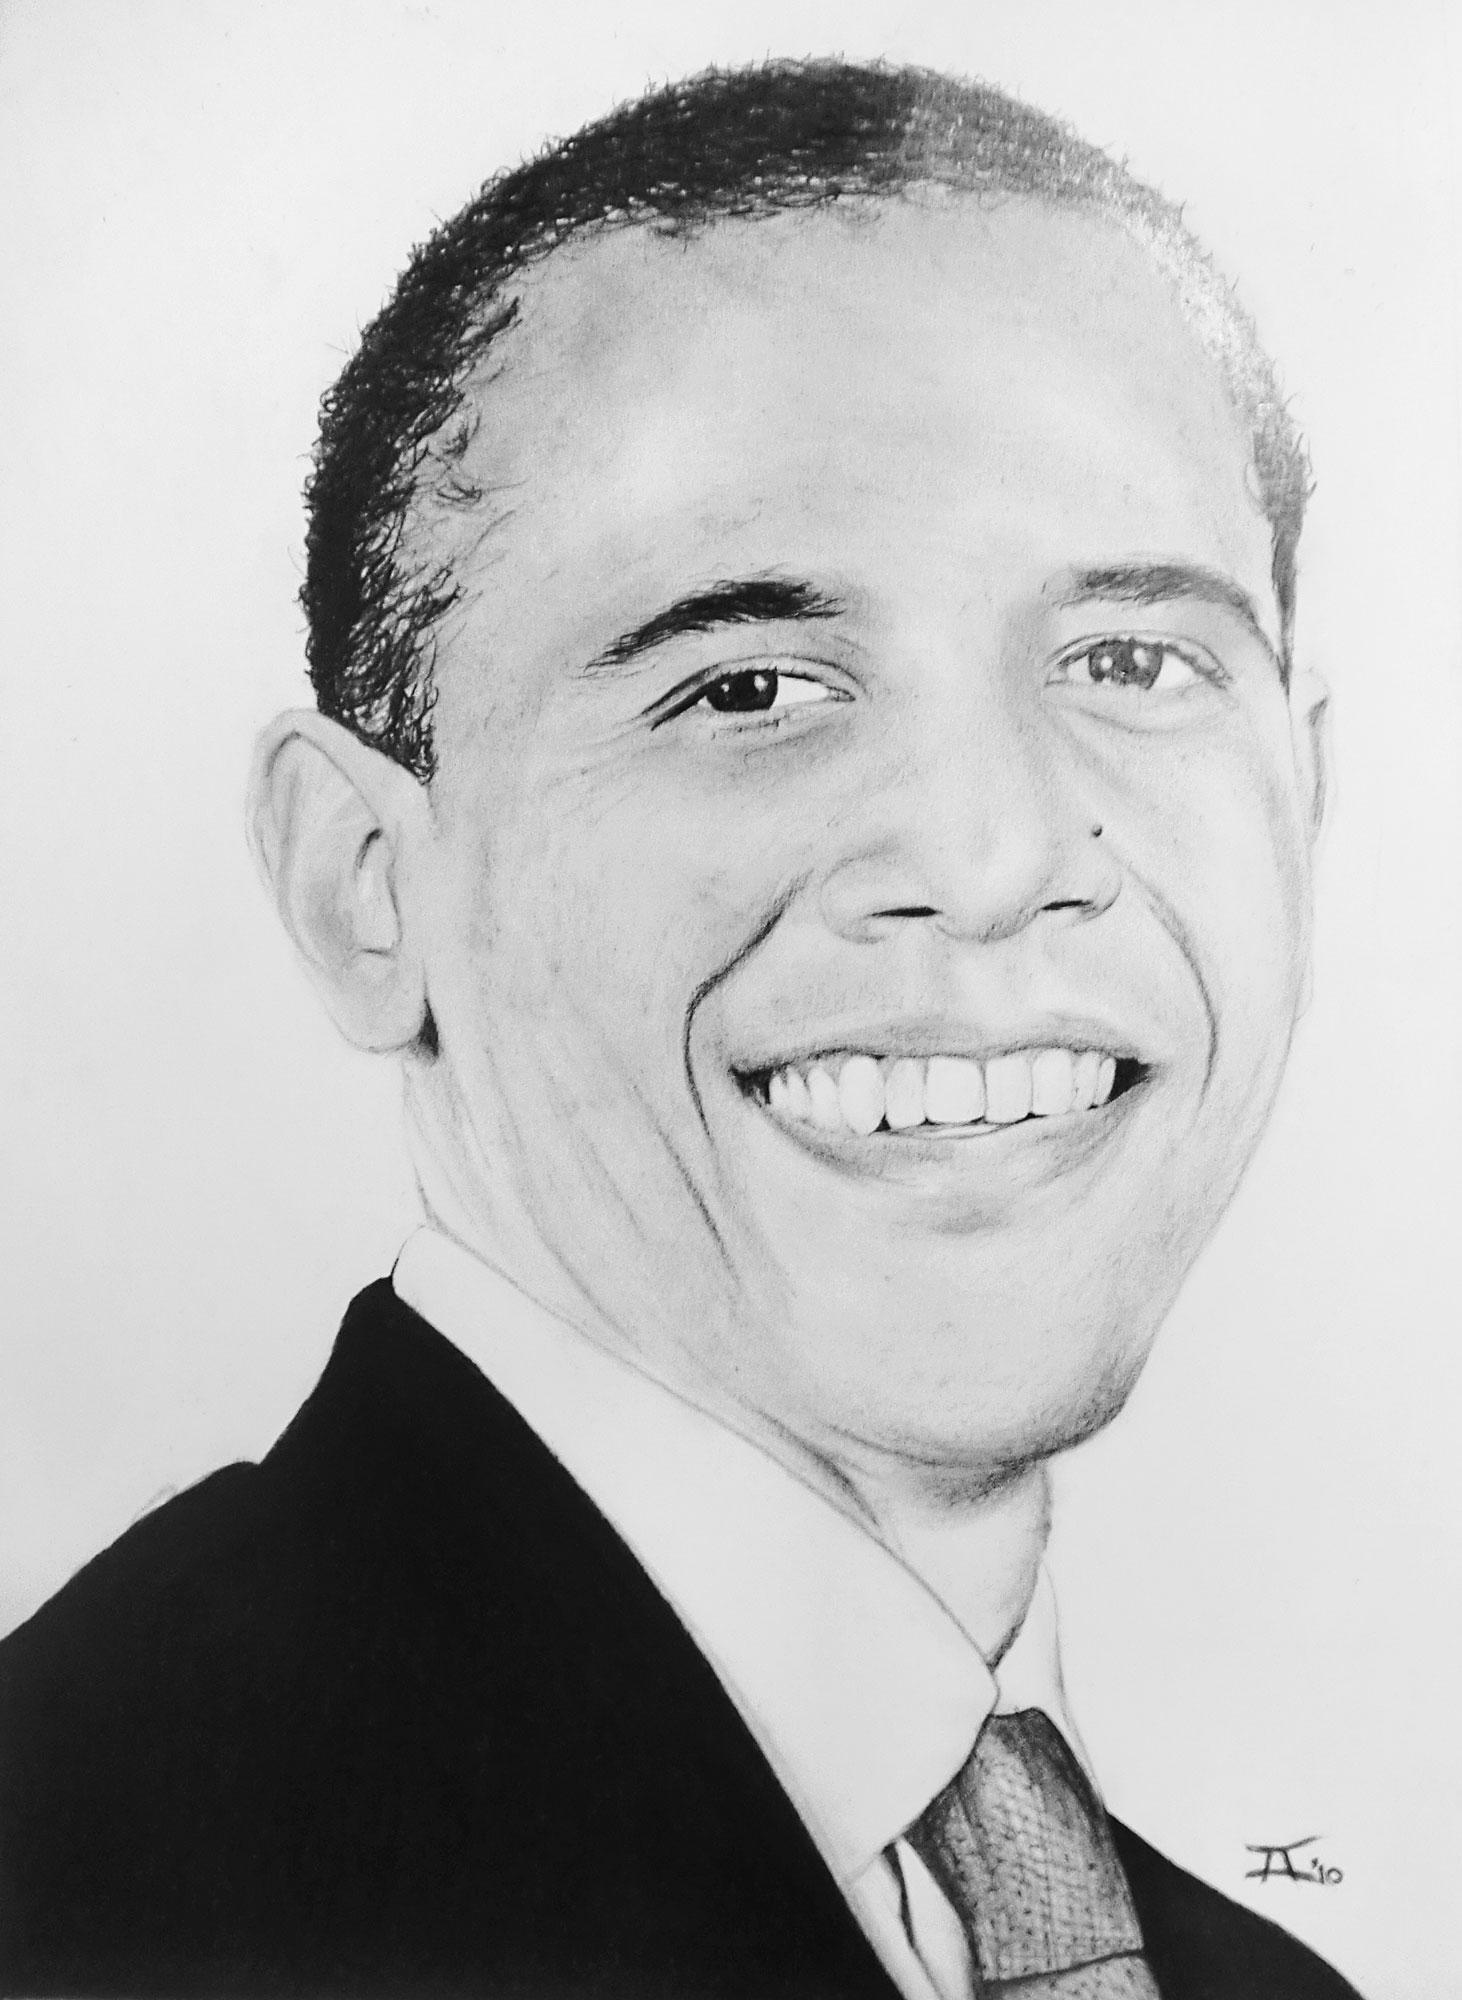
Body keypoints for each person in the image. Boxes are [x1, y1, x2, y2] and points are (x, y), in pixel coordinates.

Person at [0, 57, 1358, 2000]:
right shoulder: (85, 1883)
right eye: (748, 689)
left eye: (1128, 660)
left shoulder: (1246, 1981)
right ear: (363, 886)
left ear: (1304, 797)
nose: (988, 859)